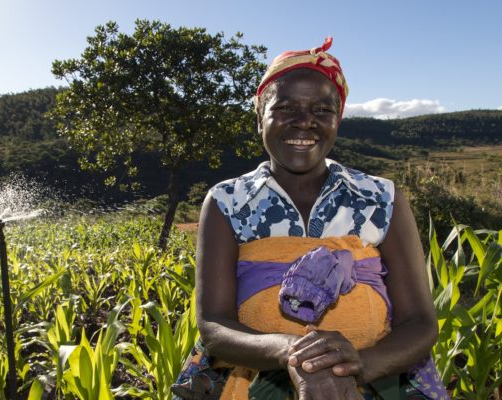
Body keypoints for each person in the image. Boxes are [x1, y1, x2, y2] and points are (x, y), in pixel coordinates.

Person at [172, 37, 448, 399]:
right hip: (252, 380)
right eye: (285, 108)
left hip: (378, 377)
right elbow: (213, 326)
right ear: (260, 118)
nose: (304, 123)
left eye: (322, 111)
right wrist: (293, 353)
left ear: (338, 120)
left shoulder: (381, 198)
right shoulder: (227, 201)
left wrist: (358, 366)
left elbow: (420, 323)